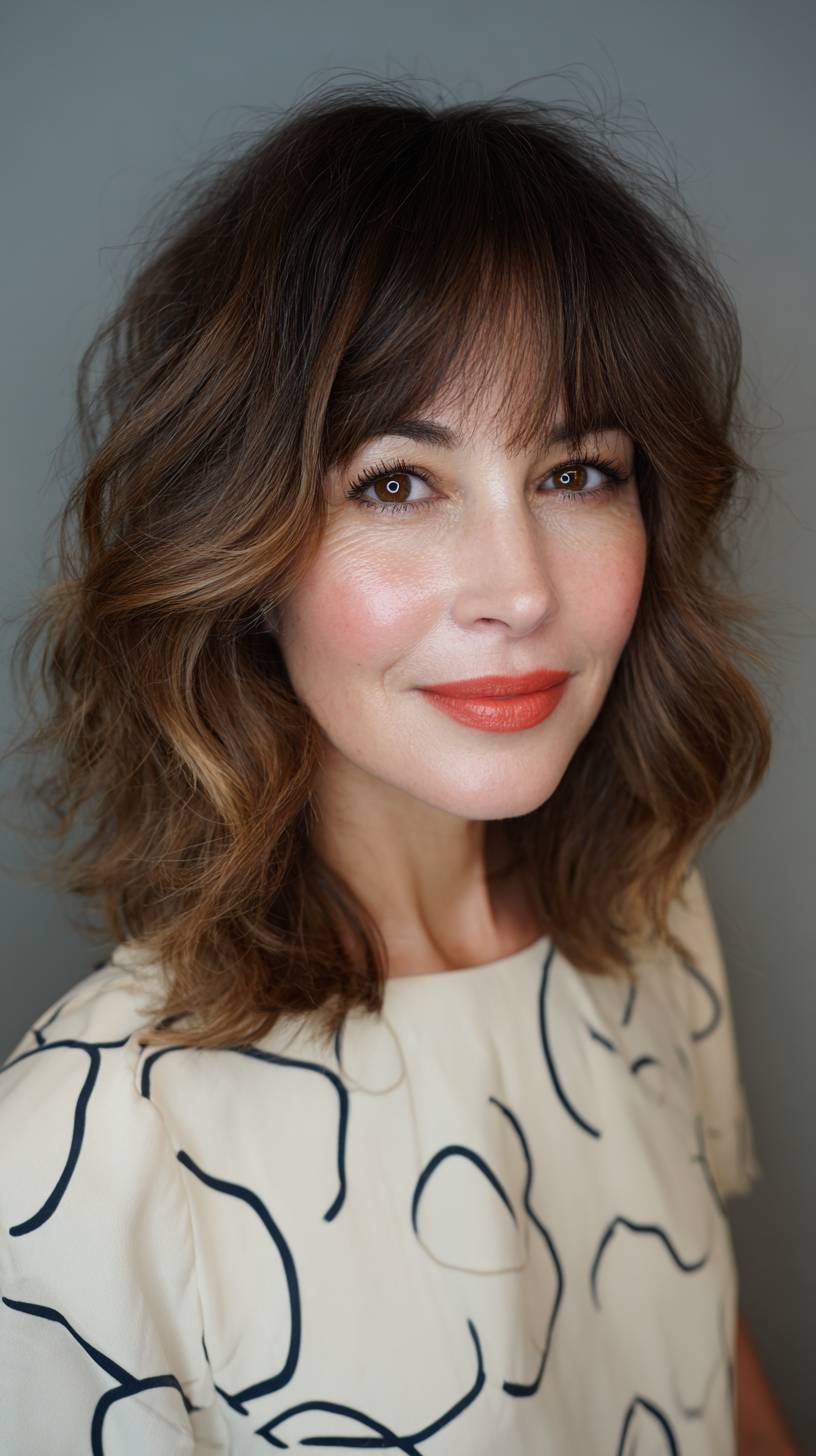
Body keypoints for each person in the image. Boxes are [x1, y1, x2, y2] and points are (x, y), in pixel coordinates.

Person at [0, 77, 800, 1454]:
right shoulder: (88, 1145)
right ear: (242, 551)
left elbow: (700, 1360)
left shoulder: (648, 919)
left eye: (576, 472)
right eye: (396, 483)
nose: (518, 590)